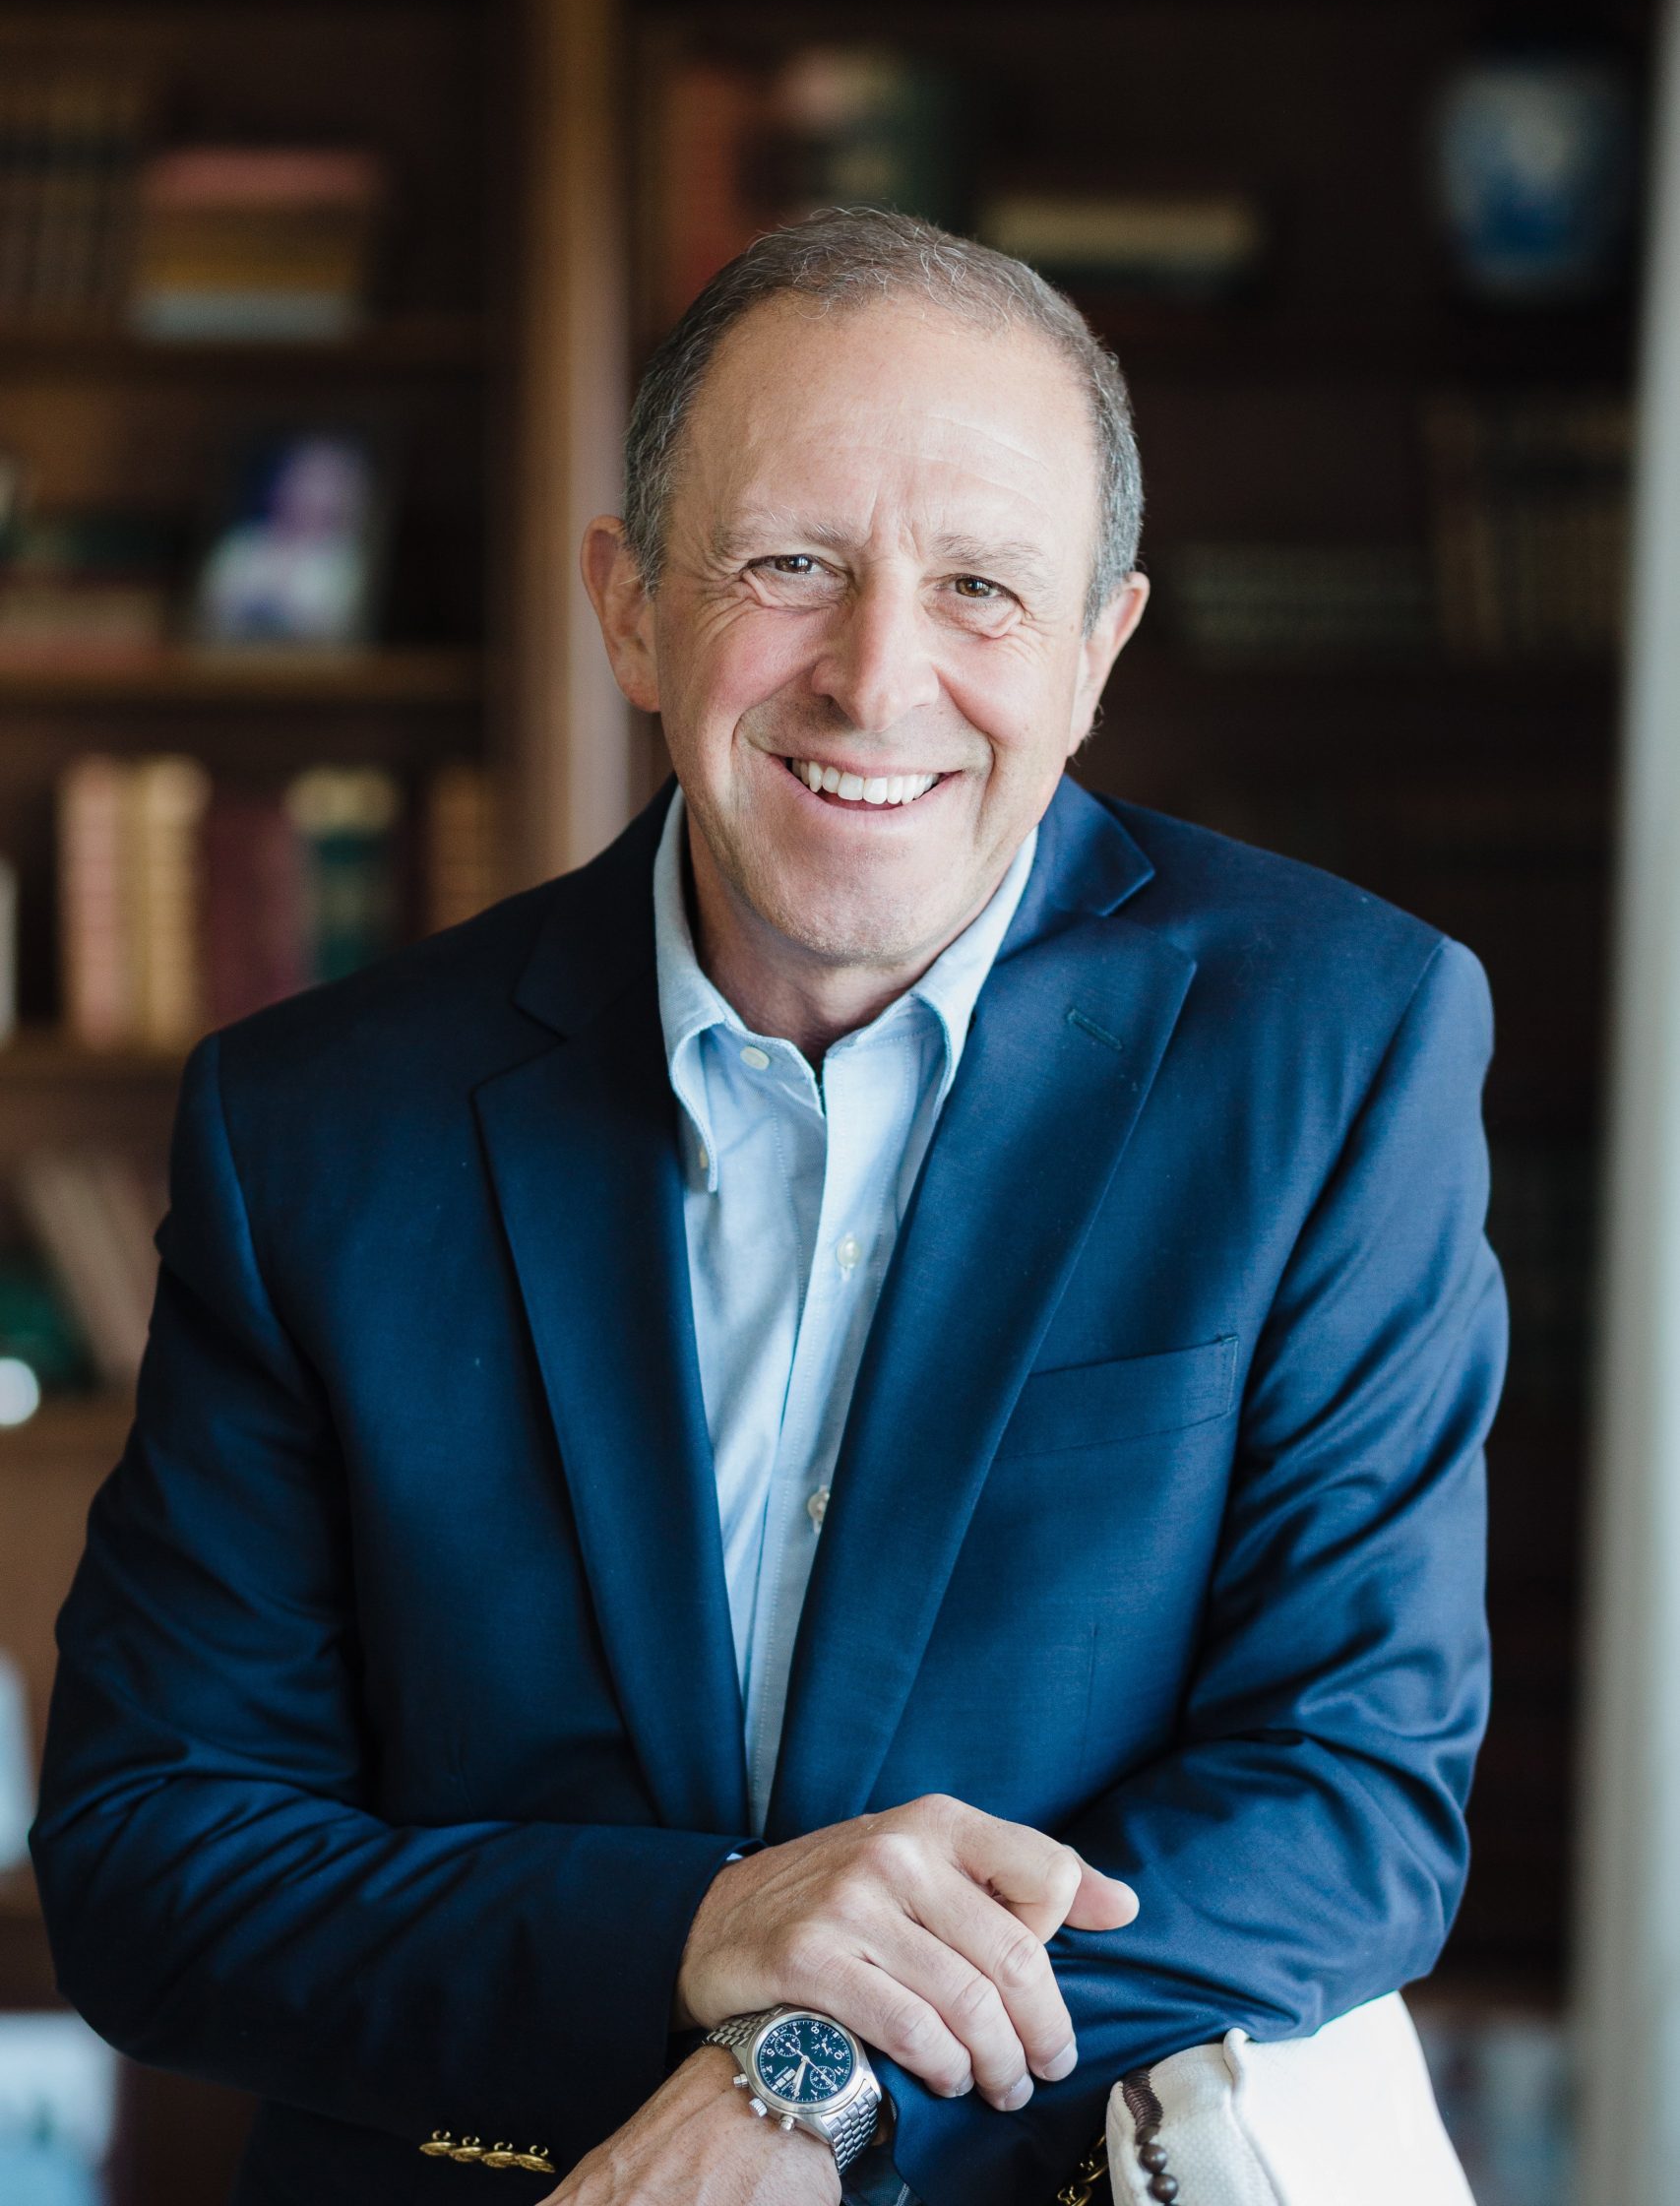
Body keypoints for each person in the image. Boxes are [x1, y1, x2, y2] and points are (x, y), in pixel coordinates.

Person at [31, 210, 1507, 2206]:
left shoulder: (1337, 1042)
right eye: (787, 562)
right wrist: (703, 1926)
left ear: (1096, 647)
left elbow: (1347, 1808)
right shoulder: (314, 1121)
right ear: (627, 606)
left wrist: (815, 2068)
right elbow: (157, 1860)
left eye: (979, 586)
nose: (873, 676)